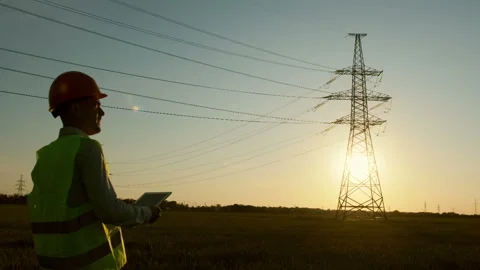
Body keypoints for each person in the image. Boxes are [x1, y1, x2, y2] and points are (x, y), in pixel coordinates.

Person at [26, 71, 161, 270]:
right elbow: (109, 210)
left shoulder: (45, 154)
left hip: (52, 262)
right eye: (96, 105)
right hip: (89, 264)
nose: (102, 113)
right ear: (77, 108)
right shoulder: (87, 148)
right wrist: (147, 213)